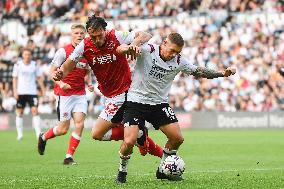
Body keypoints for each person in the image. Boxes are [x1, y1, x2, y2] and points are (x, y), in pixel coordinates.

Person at [116, 33, 236, 183]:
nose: (174, 55)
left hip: (159, 104)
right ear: (164, 43)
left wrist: (222, 73)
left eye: (177, 52)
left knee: (177, 138)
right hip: (136, 101)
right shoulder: (147, 50)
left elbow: (199, 71)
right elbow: (119, 50)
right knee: (129, 141)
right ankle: (122, 171)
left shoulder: (179, 61)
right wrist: (130, 47)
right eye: (172, 50)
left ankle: (162, 170)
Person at [52, 15, 163, 158]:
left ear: (105, 30)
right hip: (107, 95)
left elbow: (146, 34)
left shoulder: (116, 36)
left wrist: (135, 43)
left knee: (97, 133)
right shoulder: (84, 45)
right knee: (127, 134)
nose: (97, 40)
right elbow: (68, 65)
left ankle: (143, 139)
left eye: (99, 35)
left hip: (124, 92)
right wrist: (61, 73)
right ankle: (150, 143)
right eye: (93, 37)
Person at [37, 24, 94, 165]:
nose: (79, 35)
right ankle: (43, 137)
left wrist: (89, 83)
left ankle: (68, 157)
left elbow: (87, 72)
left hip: (80, 93)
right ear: (71, 35)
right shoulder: (63, 51)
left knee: (80, 124)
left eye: (82, 33)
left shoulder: (86, 52)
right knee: (63, 129)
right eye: (76, 33)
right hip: (64, 94)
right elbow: (51, 72)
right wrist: (61, 83)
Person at [12, 48, 45, 140]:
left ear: (31, 55)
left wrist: (43, 89)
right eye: (25, 54)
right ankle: (20, 134)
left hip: (32, 92)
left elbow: (39, 78)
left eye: (29, 54)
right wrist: (15, 91)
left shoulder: (34, 65)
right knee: (20, 112)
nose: (27, 56)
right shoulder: (18, 65)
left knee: (35, 111)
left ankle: (38, 134)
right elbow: (14, 79)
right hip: (21, 92)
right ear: (22, 55)